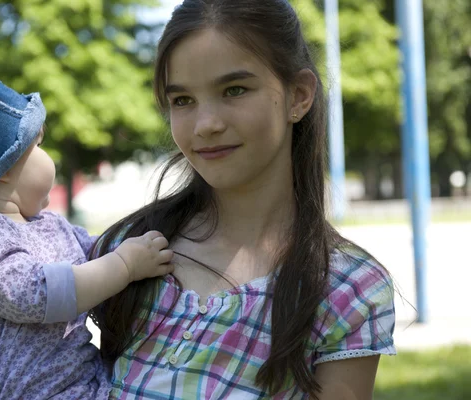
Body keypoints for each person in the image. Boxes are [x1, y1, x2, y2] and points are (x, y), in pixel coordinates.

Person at [89, 1, 396, 399]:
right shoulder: (129, 251)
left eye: (234, 90)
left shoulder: (345, 290)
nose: (206, 125)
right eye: (182, 100)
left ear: (298, 96)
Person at [0, 69, 174, 399]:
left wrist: (135, 243)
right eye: (38, 144)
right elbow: (34, 294)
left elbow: (99, 251)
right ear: (1, 167)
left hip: (74, 386)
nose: (49, 156)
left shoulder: (49, 225)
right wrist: (125, 266)